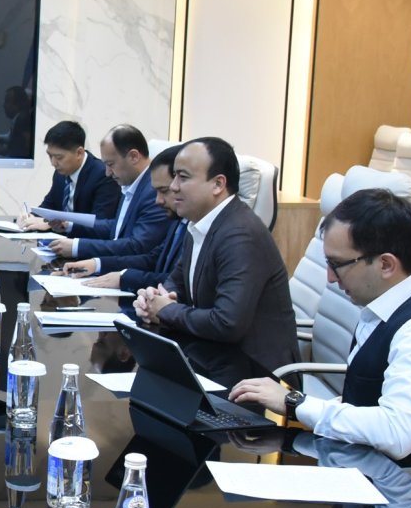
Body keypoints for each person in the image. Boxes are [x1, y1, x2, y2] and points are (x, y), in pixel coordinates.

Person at [230, 189, 411, 469]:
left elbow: (397, 434)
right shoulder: (390, 297)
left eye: (337, 265)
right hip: (357, 461)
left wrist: (294, 403)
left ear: (386, 264)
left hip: (402, 487)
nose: (330, 278)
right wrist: (293, 435)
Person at [133, 137, 298, 386]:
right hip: (213, 354)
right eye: (174, 177)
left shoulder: (240, 234)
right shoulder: (200, 223)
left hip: (255, 375)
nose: (174, 186)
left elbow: (227, 323)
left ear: (218, 184)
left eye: (183, 177)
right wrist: (153, 299)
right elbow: (176, 282)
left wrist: (165, 310)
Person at [63, 143, 186, 290]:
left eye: (164, 191)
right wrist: (97, 264)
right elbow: (154, 258)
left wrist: (124, 278)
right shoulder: (179, 220)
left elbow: (180, 282)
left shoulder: (177, 213)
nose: (158, 200)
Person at [44, 126, 169, 265]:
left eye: (110, 164)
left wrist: (77, 247)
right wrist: (69, 225)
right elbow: (116, 227)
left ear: (134, 157)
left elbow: (137, 246)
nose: (107, 173)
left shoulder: (154, 191)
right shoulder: (132, 182)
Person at [18, 121, 121, 232]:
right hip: (59, 239)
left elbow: (100, 224)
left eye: (59, 157)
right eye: (50, 156)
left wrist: (51, 225)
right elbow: (49, 205)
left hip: (84, 241)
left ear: (79, 153)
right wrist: (30, 217)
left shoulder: (103, 175)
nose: (53, 163)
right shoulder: (60, 173)